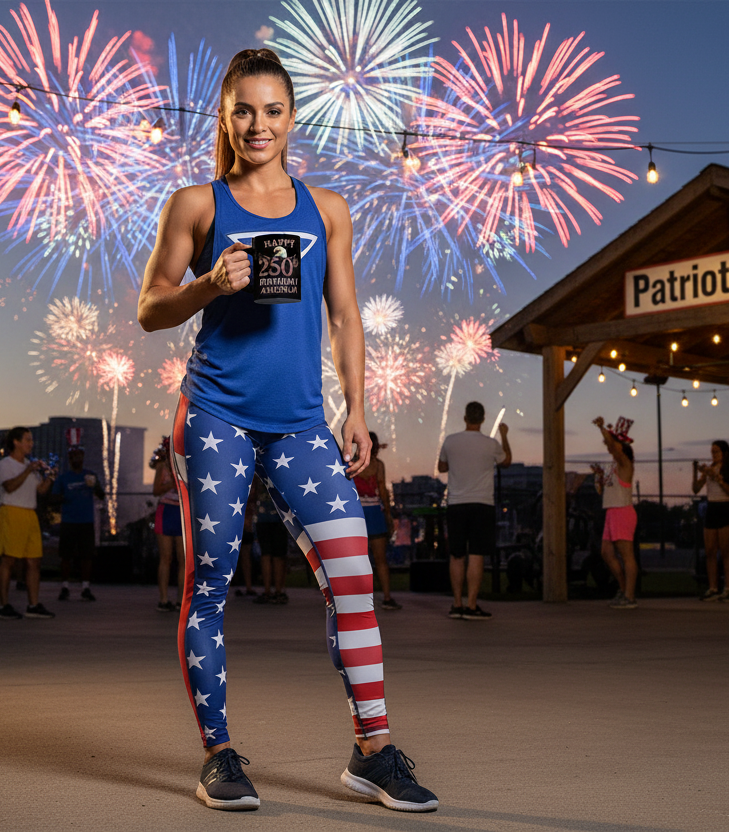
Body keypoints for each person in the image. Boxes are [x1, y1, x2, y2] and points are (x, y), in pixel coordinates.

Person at [137, 48, 436, 813]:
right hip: (215, 419)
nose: (258, 124)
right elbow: (149, 308)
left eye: (272, 110)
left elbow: (345, 315)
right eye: (244, 110)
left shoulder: (326, 207)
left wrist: (357, 408)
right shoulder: (197, 205)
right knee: (209, 587)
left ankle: (373, 751)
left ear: (291, 117)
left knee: (355, 580)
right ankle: (219, 754)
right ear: (226, 116)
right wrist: (208, 283)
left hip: (303, 426)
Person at [438, 402, 512, 621]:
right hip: (482, 504)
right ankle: (471, 605)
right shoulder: (491, 444)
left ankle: (456, 604)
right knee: (477, 554)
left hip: (456, 503)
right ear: (482, 419)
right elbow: (506, 461)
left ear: (465, 417)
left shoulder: (451, 441)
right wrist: (504, 435)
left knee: (457, 555)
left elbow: (442, 467)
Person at [0, 426, 56, 620]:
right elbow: (10, 487)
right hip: (11, 511)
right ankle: (3, 605)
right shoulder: (5, 464)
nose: (31, 444)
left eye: (31, 440)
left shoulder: (30, 465)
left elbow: (41, 491)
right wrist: (28, 469)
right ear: (16, 442)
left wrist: (50, 477)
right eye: (27, 440)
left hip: (30, 513)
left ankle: (33, 605)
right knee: (9, 560)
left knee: (34, 561)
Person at [591, 416, 638, 610]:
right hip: (611, 512)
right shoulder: (612, 468)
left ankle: (629, 596)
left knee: (626, 554)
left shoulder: (625, 463)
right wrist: (599, 478)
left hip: (622, 511)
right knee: (607, 553)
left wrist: (602, 428)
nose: (609, 447)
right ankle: (623, 589)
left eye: (614, 444)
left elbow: (613, 446)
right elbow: (601, 490)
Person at [354, 432, 400, 610]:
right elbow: (383, 492)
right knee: (381, 560)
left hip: (357, 514)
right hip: (374, 513)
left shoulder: (351, 464)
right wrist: (388, 515)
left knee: (359, 560)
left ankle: (360, 600)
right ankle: (387, 597)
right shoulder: (378, 465)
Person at [53, 446, 105, 602]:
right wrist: (65, 498)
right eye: (74, 457)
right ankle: (65, 586)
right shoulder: (63, 478)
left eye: (80, 457)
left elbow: (101, 495)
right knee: (66, 556)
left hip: (86, 521)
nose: (77, 459)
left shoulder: (90, 476)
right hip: (68, 521)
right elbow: (53, 497)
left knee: (86, 556)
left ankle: (85, 587)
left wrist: (94, 486)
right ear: (70, 459)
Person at [693, 440, 729, 602]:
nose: (714, 455)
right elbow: (695, 489)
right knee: (710, 551)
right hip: (711, 508)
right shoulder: (710, 469)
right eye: (712, 451)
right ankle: (713, 587)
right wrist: (699, 473)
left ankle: (728, 588)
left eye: (717, 451)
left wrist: (719, 479)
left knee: (725, 551)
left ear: (725, 453)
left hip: (725, 508)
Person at [151, 436, 185, 613]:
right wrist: (171, 484)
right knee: (166, 558)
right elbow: (156, 491)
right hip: (166, 511)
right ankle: (163, 599)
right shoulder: (162, 467)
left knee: (183, 560)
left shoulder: (187, 465)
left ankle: (180, 600)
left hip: (181, 512)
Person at [251, 477, 289, 605]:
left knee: (266, 554)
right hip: (280, 515)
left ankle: (268, 591)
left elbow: (253, 491)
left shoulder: (258, 468)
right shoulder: (279, 464)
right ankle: (278, 591)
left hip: (263, 515)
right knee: (278, 555)